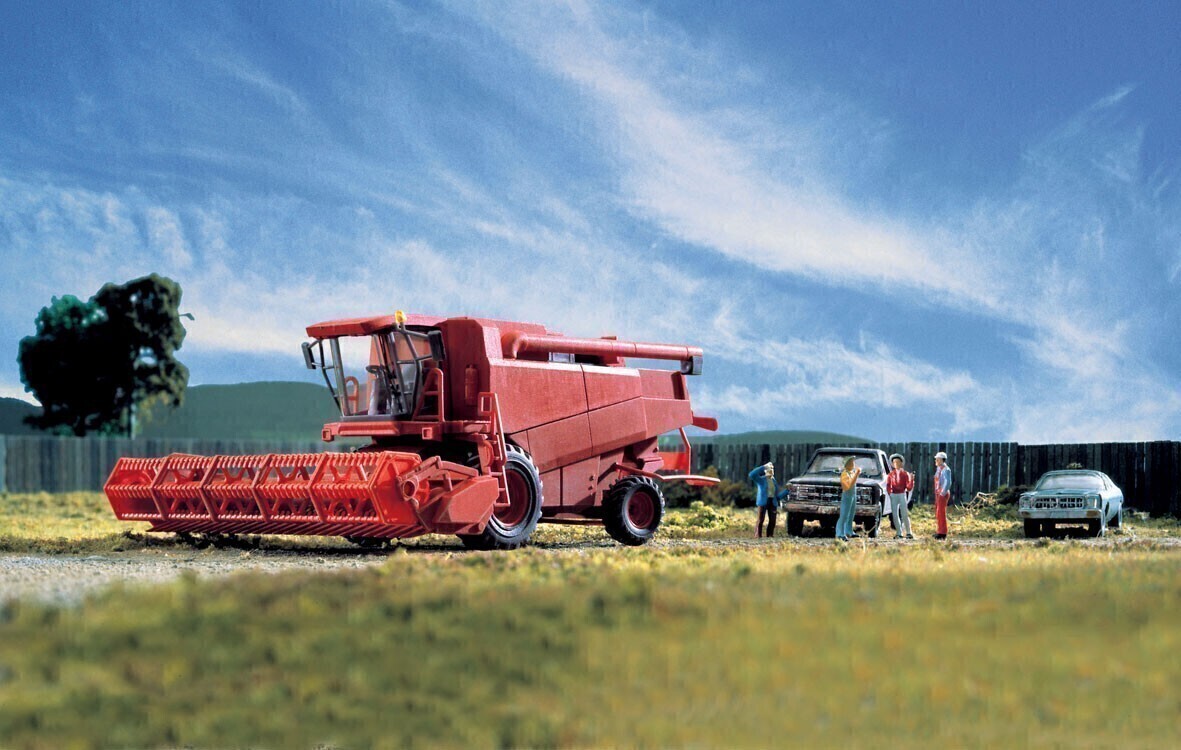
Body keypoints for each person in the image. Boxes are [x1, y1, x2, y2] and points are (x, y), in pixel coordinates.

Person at [748, 462, 789, 538]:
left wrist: (787, 491)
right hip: (763, 502)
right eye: (769, 469)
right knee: (760, 519)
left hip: (772, 502)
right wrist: (763, 467)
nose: (771, 470)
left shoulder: (774, 481)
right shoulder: (761, 480)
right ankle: (758, 535)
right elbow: (751, 474)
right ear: (765, 471)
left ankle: (770, 535)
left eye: (772, 469)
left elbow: (777, 497)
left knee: (773, 520)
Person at [887, 453, 915, 540]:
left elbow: (909, 487)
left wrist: (912, 480)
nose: (896, 464)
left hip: (902, 494)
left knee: (904, 514)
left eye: (898, 462)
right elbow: (888, 485)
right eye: (894, 462)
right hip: (894, 495)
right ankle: (899, 532)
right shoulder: (891, 475)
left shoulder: (905, 474)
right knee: (895, 514)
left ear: (901, 463)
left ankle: (908, 532)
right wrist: (890, 493)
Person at [835, 456, 861, 541]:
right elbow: (848, 486)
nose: (853, 464)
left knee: (851, 514)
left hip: (853, 495)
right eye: (851, 462)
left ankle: (848, 530)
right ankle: (840, 533)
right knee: (844, 515)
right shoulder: (844, 474)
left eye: (853, 462)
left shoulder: (851, 472)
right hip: (847, 495)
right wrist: (856, 474)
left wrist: (855, 474)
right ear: (846, 465)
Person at [933, 451, 952, 540]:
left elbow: (948, 482)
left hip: (942, 494)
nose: (936, 460)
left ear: (942, 460)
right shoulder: (939, 468)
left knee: (941, 512)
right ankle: (939, 531)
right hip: (938, 493)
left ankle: (942, 533)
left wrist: (942, 493)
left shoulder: (945, 469)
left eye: (938, 459)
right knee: (938, 513)